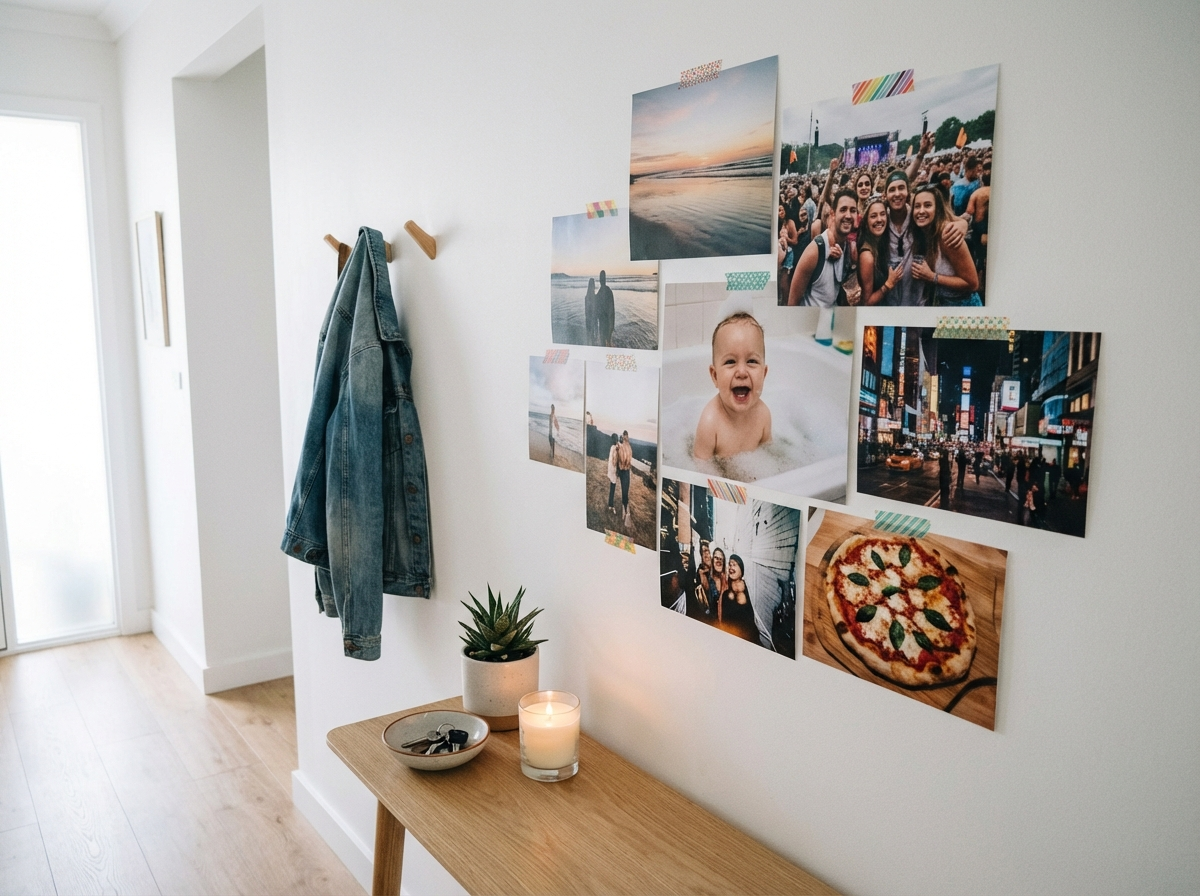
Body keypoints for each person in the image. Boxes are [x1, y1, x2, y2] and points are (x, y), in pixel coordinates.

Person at [694, 313, 771, 460]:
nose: (741, 372)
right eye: (730, 361)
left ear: (764, 374)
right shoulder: (710, 422)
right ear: (715, 376)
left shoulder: (764, 415)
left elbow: (769, 456)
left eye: (752, 361)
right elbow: (699, 469)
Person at [909, 184, 980, 307]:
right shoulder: (925, 233)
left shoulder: (948, 235)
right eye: (917, 206)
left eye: (927, 205)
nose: (921, 211)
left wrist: (932, 277)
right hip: (944, 305)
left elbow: (972, 283)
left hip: (964, 308)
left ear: (937, 209)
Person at [787, 189, 857, 307]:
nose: (848, 215)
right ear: (833, 214)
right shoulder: (815, 251)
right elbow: (792, 303)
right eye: (843, 209)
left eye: (853, 210)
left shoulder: (846, 246)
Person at [856, 197, 902, 306]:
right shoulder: (867, 256)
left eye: (882, 214)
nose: (879, 219)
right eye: (873, 216)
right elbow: (866, 302)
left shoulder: (881, 243)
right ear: (866, 222)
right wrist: (888, 284)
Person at [720, 554, 760, 644]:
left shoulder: (750, 590)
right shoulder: (726, 595)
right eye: (730, 564)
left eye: (734, 565)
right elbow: (724, 623)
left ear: (741, 570)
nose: (731, 567)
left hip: (752, 641)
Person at [617, 430, 633, 527]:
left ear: (623, 437)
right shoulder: (629, 448)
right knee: (625, 490)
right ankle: (625, 511)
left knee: (624, 491)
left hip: (623, 471)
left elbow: (620, 460)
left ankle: (625, 512)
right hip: (627, 471)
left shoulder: (621, 447)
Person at [595, 270, 615, 347]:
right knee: (608, 341)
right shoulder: (608, 291)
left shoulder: (600, 292)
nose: (601, 280)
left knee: (604, 341)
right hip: (606, 320)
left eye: (601, 278)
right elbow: (611, 309)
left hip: (603, 321)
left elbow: (597, 309)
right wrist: (612, 324)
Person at [710, 548, 727, 624]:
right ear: (712, 560)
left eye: (721, 559)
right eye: (716, 558)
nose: (718, 561)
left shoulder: (727, 580)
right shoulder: (709, 580)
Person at [605, 433, 619, 515]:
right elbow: (614, 461)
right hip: (613, 470)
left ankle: (610, 503)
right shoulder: (615, 448)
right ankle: (611, 504)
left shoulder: (613, 447)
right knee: (612, 487)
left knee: (612, 487)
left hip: (612, 470)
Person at [583, 277, 598, 345]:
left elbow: (586, 311)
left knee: (589, 336)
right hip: (593, 319)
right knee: (594, 337)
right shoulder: (594, 297)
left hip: (588, 319)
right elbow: (595, 309)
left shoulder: (586, 297)